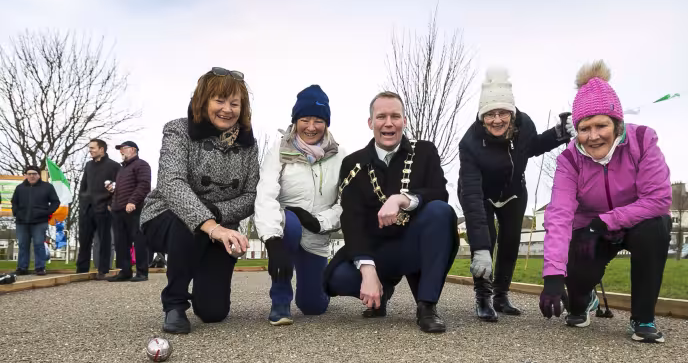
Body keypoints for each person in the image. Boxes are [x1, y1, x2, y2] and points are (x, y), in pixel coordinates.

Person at [539, 61, 672, 343]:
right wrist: (552, 275)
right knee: (574, 291)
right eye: (584, 128)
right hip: (590, 231)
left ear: (617, 123)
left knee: (656, 226)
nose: (593, 136)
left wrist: (606, 221)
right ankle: (584, 300)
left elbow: (658, 199)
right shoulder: (569, 160)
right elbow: (560, 215)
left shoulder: (642, 140)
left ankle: (643, 317)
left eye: (601, 125)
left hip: (637, 223)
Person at [323, 91, 458, 333]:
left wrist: (403, 199)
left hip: (415, 243)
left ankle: (427, 305)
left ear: (404, 121)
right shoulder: (353, 163)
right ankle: (381, 292)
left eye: (395, 116)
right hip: (377, 250)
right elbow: (352, 219)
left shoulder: (425, 151)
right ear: (370, 122)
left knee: (440, 212)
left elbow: (439, 193)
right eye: (381, 116)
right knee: (338, 277)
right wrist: (368, 270)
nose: (388, 123)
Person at [140, 67, 262, 334]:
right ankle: (174, 303)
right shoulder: (178, 130)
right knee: (189, 221)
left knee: (213, 312)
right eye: (219, 100)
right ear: (203, 100)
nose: (227, 109)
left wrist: (218, 216)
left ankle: (202, 278)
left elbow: (251, 196)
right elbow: (171, 183)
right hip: (166, 216)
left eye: (234, 103)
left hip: (222, 224)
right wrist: (208, 223)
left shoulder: (249, 145)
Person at [458, 68, 574, 322]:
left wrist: (558, 133)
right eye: (489, 114)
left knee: (510, 241)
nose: (497, 119)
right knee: (488, 239)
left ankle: (501, 295)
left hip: (513, 192)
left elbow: (532, 147)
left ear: (512, 112)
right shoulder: (470, 143)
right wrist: (479, 247)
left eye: (503, 113)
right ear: (481, 117)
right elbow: (472, 198)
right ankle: (483, 298)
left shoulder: (524, 125)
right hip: (480, 194)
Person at [254, 85, 345, 326]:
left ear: (327, 123)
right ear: (295, 121)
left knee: (313, 307)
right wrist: (272, 240)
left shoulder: (340, 156)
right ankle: (280, 301)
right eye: (305, 119)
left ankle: (320, 286)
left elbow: (345, 204)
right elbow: (265, 196)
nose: (311, 127)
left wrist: (319, 222)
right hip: (286, 230)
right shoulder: (279, 151)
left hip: (316, 236)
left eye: (319, 120)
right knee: (291, 221)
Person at [108, 140, 152, 282]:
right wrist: (112, 199)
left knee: (139, 240)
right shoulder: (122, 169)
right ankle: (125, 271)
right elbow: (122, 189)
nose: (121, 151)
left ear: (133, 149)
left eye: (123, 148)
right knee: (121, 241)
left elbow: (144, 185)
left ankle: (142, 272)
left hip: (135, 209)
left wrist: (133, 201)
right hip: (118, 209)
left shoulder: (142, 165)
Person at [76, 138, 119, 279]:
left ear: (102, 149)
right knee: (84, 240)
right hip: (86, 208)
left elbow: (118, 187)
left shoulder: (114, 166)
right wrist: (82, 200)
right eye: (89, 148)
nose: (90, 150)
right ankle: (81, 270)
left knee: (104, 240)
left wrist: (110, 204)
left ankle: (103, 269)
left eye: (93, 148)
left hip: (103, 208)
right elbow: (83, 185)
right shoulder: (88, 165)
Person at [10, 166, 60, 276]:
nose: (32, 176)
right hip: (22, 222)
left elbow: (55, 202)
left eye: (34, 174)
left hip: (39, 221)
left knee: (38, 244)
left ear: (38, 175)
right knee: (23, 245)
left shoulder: (47, 187)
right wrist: (16, 213)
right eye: (29, 174)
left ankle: (40, 268)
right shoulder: (20, 188)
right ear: (26, 175)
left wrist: (47, 212)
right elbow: (14, 202)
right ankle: (22, 268)